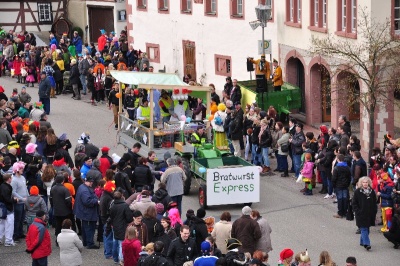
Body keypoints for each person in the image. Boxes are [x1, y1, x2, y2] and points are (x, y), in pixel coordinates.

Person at [73, 175, 99, 249]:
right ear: (86, 181)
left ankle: (85, 242)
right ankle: (90, 243)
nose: (91, 183)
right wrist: (97, 201)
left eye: (92, 182)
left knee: (85, 227)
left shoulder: (82, 187)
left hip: (83, 212)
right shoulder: (85, 190)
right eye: (90, 182)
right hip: (87, 212)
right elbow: (87, 201)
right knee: (89, 228)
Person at [352, 177, 377, 251]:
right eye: (363, 182)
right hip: (361, 214)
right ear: (361, 183)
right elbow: (354, 203)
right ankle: (367, 244)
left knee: (367, 229)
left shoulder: (372, 191)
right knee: (364, 229)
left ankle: (362, 241)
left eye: (366, 182)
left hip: (369, 214)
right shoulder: (357, 192)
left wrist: (374, 211)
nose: (365, 184)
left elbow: (374, 202)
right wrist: (358, 211)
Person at [110, 190, 133, 264]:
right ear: (121, 196)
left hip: (114, 226)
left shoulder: (113, 205)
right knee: (121, 244)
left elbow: (111, 216)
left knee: (115, 242)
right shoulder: (125, 205)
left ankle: (115, 258)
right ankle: (121, 260)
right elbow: (129, 218)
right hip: (122, 226)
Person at [50, 174, 72, 239]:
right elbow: (68, 201)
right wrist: (69, 208)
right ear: (63, 181)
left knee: (58, 225)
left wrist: (53, 206)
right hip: (65, 211)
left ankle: (58, 239)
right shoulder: (65, 189)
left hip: (56, 210)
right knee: (65, 225)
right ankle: (65, 239)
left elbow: (51, 199)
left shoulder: (53, 188)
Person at [11, 161, 29, 242]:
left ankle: (21, 233)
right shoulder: (14, 180)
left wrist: (28, 196)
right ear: (17, 169)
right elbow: (13, 192)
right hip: (18, 203)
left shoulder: (23, 178)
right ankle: (15, 235)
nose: (22, 170)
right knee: (17, 219)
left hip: (24, 201)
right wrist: (22, 198)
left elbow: (25, 188)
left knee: (22, 219)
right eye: (21, 168)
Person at [0, 174, 18, 246]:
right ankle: (8, 240)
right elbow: (7, 199)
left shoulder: (2, 186)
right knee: (9, 224)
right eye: (11, 178)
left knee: (2, 223)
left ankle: (0, 238)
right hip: (7, 208)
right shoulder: (7, 187)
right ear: (9, 179)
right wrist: (15, 200)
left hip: (2, 207)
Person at [332, 154, 351, 218]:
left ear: (338, 159)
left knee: (340, 199)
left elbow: (334, 178)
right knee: (345, 198)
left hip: (338, 185)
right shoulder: (347, 167)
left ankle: (340, 213)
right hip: (345, 185)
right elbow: (349, 177)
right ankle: (345, 212)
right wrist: (347, 184)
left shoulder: (336, 168)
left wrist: (334, 185)